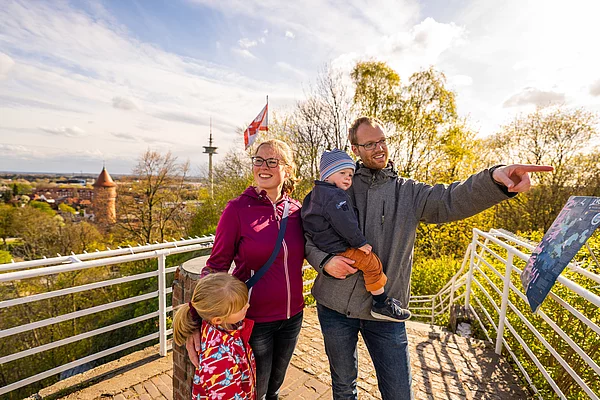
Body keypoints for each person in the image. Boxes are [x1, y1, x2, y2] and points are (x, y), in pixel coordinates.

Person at [305, 116, 554, 399]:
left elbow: (451, 199)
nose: (379, 148)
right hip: (335, 306)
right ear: (356, 148)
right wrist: (324, 263)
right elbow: (309, 233)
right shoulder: (338, 185)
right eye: (370, 143)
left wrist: (494, 180)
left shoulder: (409, 192)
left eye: (383, 141)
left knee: (399, 393)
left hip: (386, 310)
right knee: (343, 387)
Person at [187, 139, 306, 400]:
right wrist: (195, 323)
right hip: (254, 319)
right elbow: (215, 268)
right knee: (254, 392)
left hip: (293, 317)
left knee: (274, 388)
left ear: (287, 169)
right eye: (259, 160)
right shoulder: (238, 209)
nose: (264, 166)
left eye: (272, 161)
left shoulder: (298, 211)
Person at [302, 148, 410, 322]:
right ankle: (381, 303)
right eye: (342, 172)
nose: (348, 178)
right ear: (327, 175)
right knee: (372, 263)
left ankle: (381, 300)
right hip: (338, 247)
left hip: (326, 246)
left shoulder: (314, 195)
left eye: (351, 175)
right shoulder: (335, 196)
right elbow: (345, 223)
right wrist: (359, 242)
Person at [172, 273, 256, 400]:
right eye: (241, 307)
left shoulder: (224, 327)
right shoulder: (219, 358)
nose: (248, 306)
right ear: (218, 319)